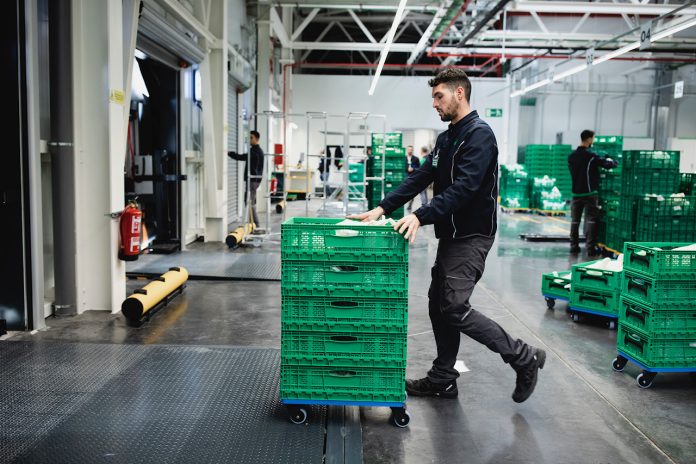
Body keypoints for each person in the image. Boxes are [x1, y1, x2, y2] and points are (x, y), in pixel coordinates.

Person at [348, 68, 546, 403]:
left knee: (453, 306)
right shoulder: (448, 137)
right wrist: (382, 208)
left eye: (439, 96)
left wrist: (419, 215)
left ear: (459, 93)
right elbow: (420, 177)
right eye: (433, 98)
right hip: (452, 235)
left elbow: (465, 189)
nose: (434, 104)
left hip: (472, 235)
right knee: (439, 305)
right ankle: (443, 378)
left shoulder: (480, 135)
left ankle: (522, 356)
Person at [568, 130, 619, 256]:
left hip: (576, 193)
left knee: (575, 221)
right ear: (589, 139)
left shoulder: (571, 157)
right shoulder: (590, 156)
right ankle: (590, 248)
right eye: (593, 139)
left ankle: (574, 246)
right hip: (589, 193)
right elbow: (608, 165)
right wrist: (611, 159)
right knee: (591, 219)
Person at [228, 130, 264, 227]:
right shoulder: (257, 150)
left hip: (253, 180)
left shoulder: (255, 151)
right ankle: (252, 223)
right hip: (254, 180)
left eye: (251, 137)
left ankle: (256, 225)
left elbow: (242, 157)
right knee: (249, 201)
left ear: (257, 139)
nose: (249, 139)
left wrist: (230, 154)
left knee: (250, 202)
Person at [406, 145, 428, 213]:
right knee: (412, 193)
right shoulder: (404, 158)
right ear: (407, 150)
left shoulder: (417, 159)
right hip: (408, 178)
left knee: (422, 192)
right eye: (409, 149)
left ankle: (424, 206)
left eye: (411, 149)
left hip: (417, 178)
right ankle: (410, 205)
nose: (410, 151)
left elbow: (419, 168)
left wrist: (413, 169)